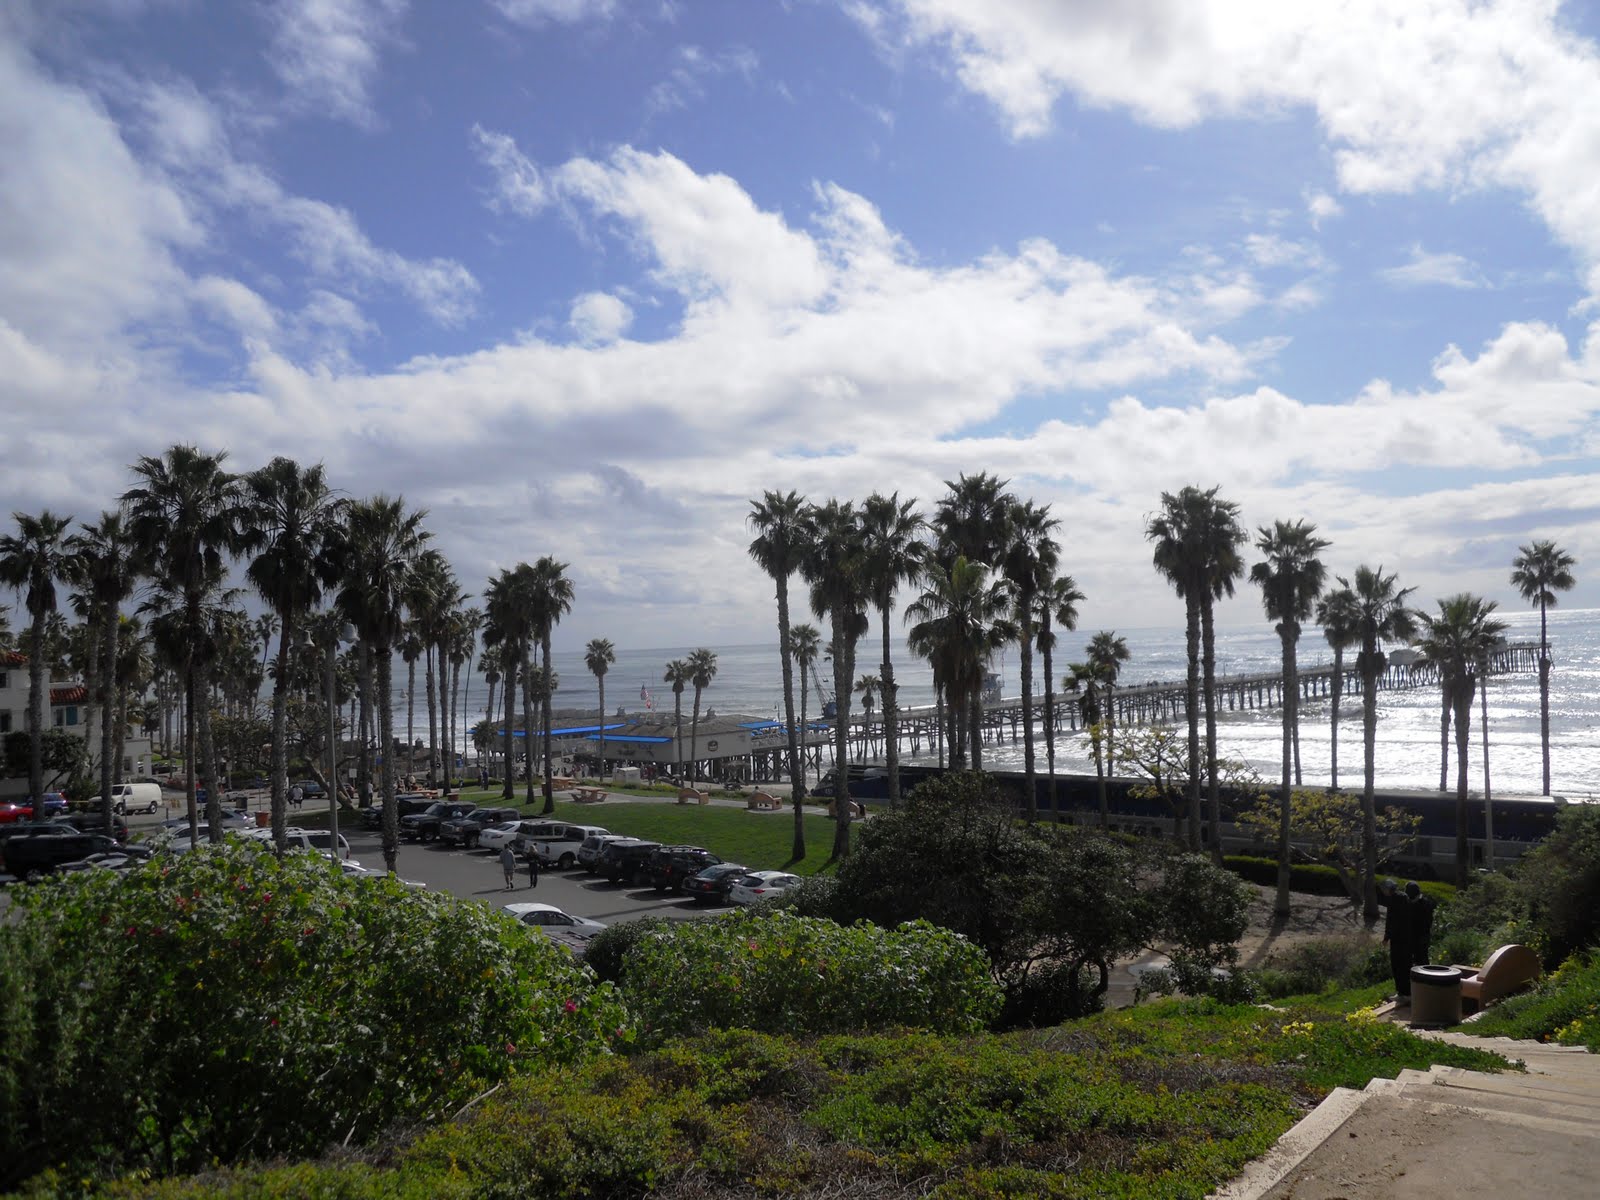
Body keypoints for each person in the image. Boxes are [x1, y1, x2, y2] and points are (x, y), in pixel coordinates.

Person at [1378, 878, 1413, 1002]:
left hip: (1398, 939)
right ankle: (1408, 992)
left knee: (1397, 966)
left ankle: (1403, 993)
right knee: (1406, 965)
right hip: (1407, 937)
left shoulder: (1394, 900)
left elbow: (1391, 921)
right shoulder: (1405, 897)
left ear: (1388, 889)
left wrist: (1386, 938)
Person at [1406, 880, 1436, 968]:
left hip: (1421, 935)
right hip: (1414, 936)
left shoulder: (1425, 904)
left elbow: (1426, 921)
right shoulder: (1413, 903)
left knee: (1422, 959)